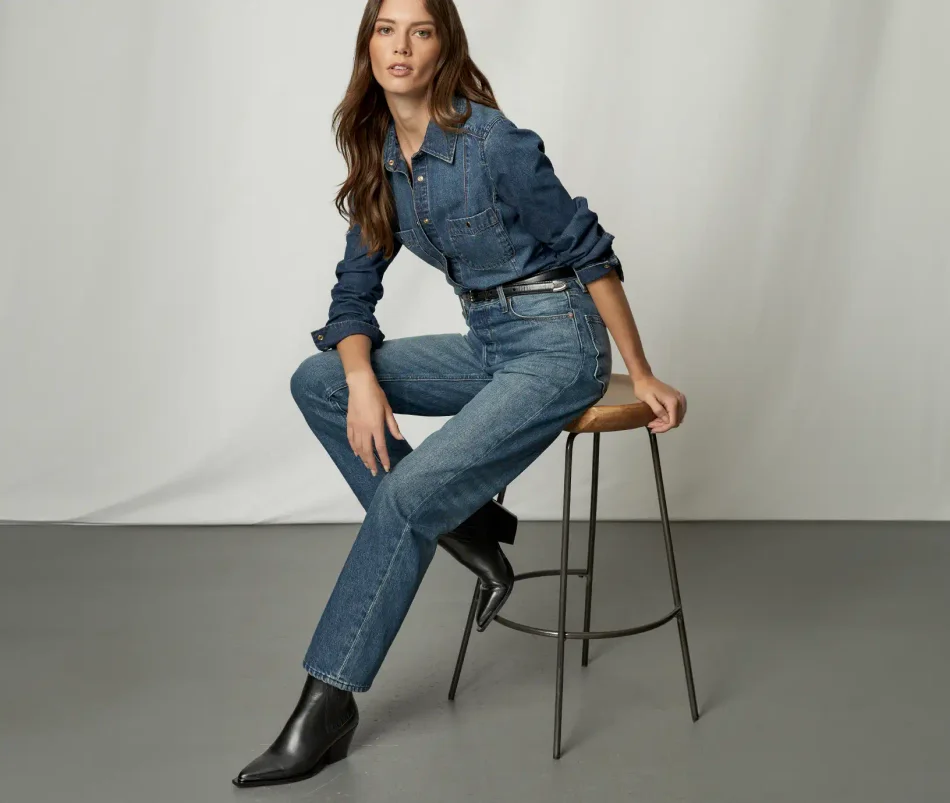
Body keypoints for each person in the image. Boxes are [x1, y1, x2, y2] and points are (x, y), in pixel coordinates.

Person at [232, 0, 686, 788]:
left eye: (421, 30)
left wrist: (639, 370)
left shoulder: (493, 141)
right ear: (367, 45)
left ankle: (328, 701)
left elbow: (589, 249)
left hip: (556, 344)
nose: (401, 46)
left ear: (446, 46)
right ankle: (471, 525)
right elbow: (352, 293)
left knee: (408, 494)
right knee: (322, 381)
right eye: (385, 29)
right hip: (486, 341)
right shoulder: (381, 154)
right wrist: (363, 377)